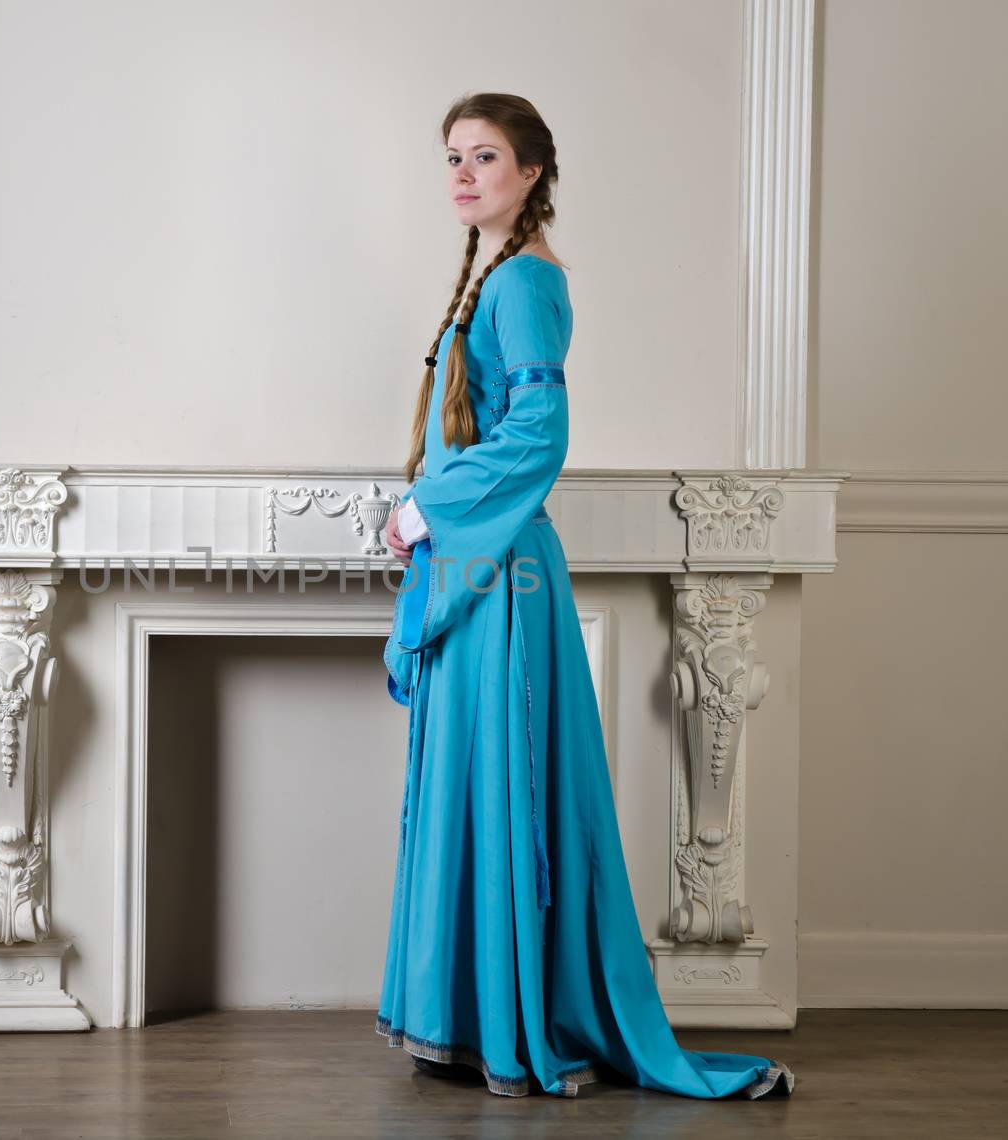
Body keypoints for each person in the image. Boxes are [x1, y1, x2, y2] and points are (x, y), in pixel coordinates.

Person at [375, 93, 796, 1100]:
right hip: (487, 569)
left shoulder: (523, 281)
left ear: (530, 173)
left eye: (485, 157)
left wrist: (427, 513)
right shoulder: (491, 274)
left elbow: (536, 438)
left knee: (497, 782)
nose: (464, 174)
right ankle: (482, 1020)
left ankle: (514, 1024)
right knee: (471, 779)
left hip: (502, 578)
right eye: (452, 158)